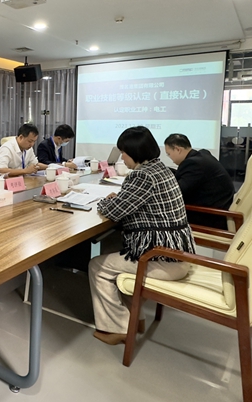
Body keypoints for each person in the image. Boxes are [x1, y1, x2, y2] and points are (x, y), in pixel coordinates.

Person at [90, 126, 195, 345]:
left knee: (98, 266)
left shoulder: (142, 175)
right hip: (177, 253)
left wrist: (106, 202)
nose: (122, 157)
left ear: (134, 152)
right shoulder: (161, 169)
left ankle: (116, 328)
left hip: (163, 259)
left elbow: (113, 211)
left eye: (123, 153)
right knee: (117, 253)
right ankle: (134, 320)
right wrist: (119, 200)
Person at [163, 133, 235, 230]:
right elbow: (186, 177)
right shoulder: (202, 156)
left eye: (169, 154)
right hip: (218, 207)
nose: (170, 157)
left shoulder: (193, 164)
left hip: (209, 216)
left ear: (178, 149)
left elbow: (177, 193)